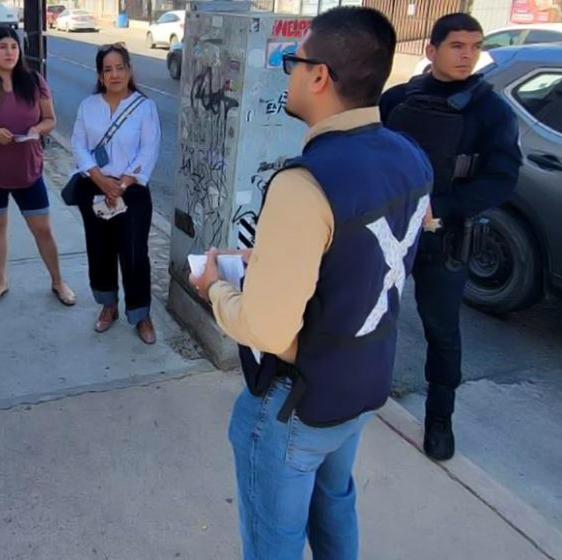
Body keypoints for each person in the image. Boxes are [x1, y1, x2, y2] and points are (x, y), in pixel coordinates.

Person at [190, 7, 433, 559]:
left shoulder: (305, 184)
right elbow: (366, 255)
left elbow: (266, 327)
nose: (288, 71)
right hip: (361, 382)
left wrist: (213, 288)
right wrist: (273, 256)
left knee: (273, 544)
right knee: (336, 508)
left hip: (295, 403)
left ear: (319, 75)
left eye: (291, 62)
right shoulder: (410, 155)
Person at [380, 13, 521, 462]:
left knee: (441, 330)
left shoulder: (491, 110)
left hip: (445, 236)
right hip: (389, 229)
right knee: (371, 314)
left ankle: (440, 418)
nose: (467, 55)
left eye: (474, 46)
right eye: (457, 45)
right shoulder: (397, 99)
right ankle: (363, 389)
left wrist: (444, 206)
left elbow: (502, 179)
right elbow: (371, 153)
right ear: (431, 50)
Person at [0, 27, 76, 308]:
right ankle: (0, 281)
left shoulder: (34, 81)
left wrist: (37, 129)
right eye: (2, 46)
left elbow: (50, 119)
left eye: (14, 46)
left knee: (43, 229)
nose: (10, 52)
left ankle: (58, 281)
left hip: (28, 171)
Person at [70, 43, 161, 344]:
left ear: (129, 69)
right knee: (100, 250)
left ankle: (140, 314)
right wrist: (98, 178)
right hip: (94, 188)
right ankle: (109, 305)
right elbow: (79, 144)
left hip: (131, 191)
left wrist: (120, 184)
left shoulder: (144, 106)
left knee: (135, 255)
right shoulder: (88, 106)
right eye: (108, 69)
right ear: (99, 74)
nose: (115, 74)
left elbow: (149, 149)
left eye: (120, 67)